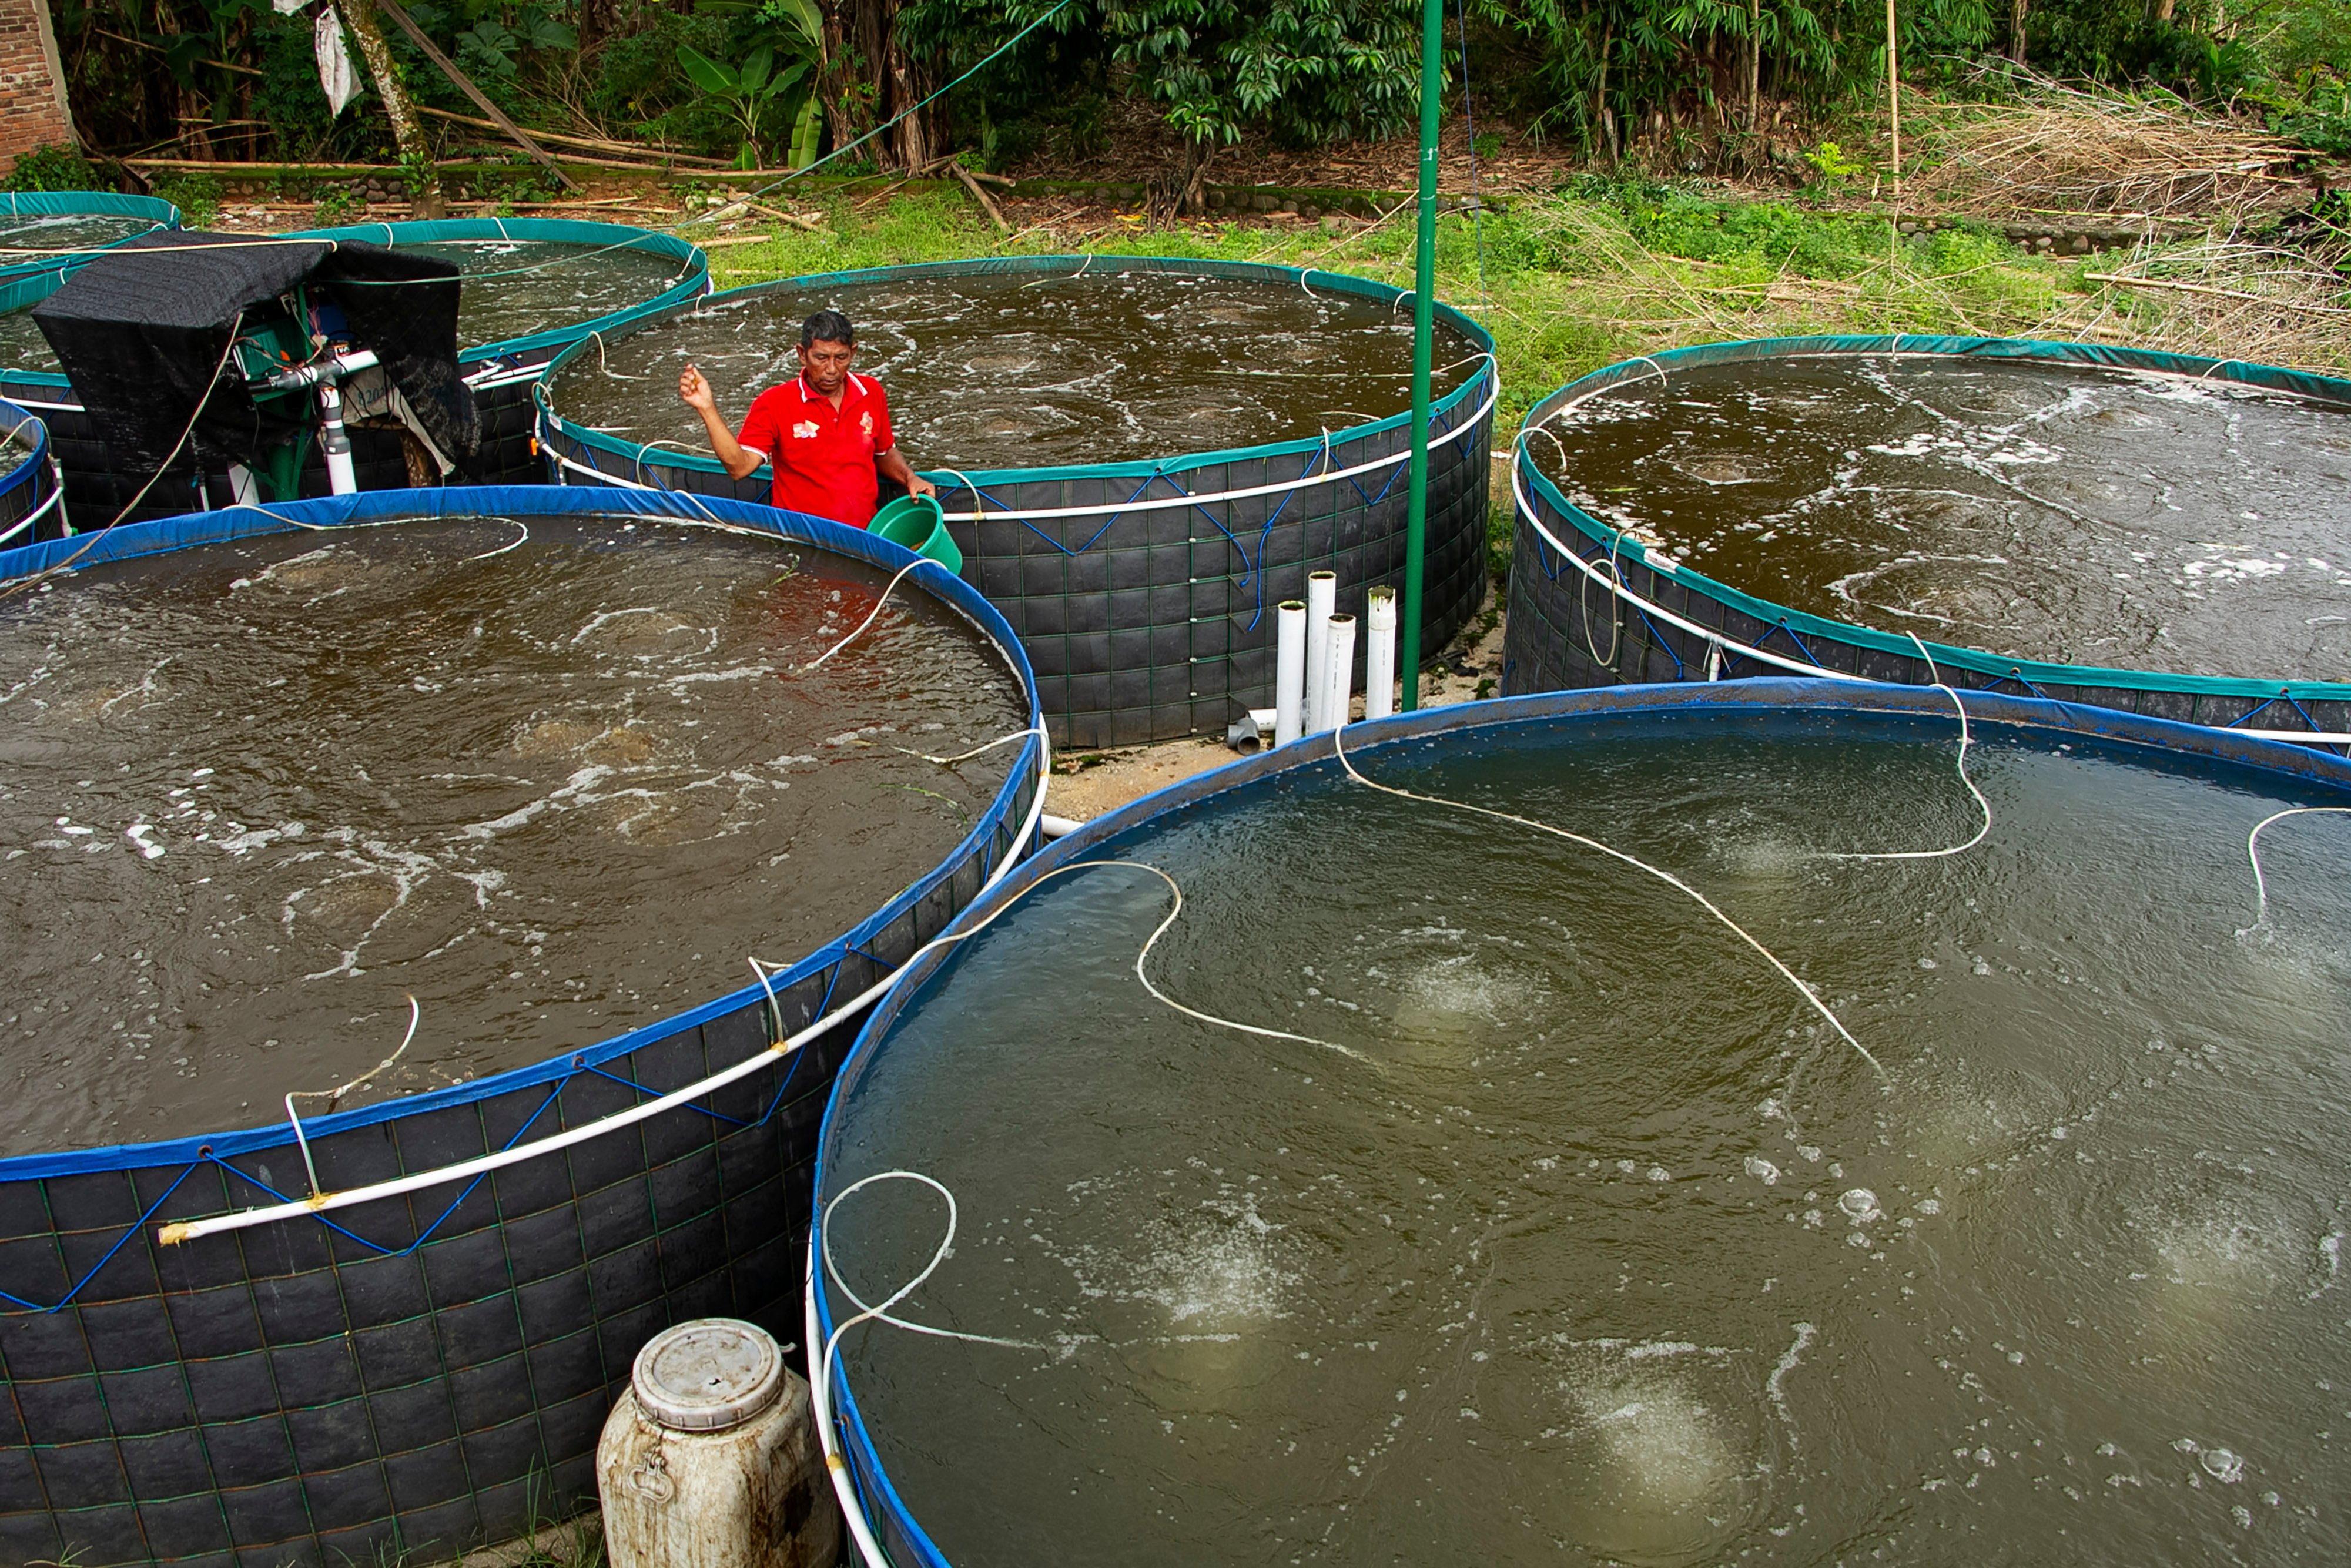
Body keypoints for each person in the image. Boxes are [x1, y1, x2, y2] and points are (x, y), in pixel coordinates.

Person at [678, 308, 935, 529]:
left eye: (841, 358)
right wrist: (707, 409)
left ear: (853, 353)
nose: (832, 369)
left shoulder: (871, 392)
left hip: (863, 538)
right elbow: (739, 468)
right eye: (821, 358)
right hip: (803, 541)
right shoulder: (774, 403)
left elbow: (883, 452)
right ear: (802, 354)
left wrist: (909, 477)